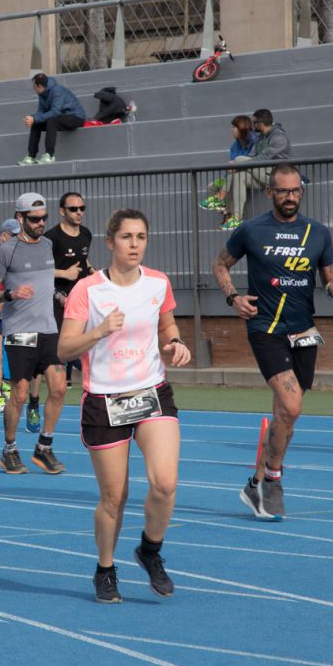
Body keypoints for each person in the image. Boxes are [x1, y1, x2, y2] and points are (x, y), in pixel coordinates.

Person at [59, 208, 192, 603]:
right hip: (104, 399)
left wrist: (176, 344)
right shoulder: (88, 289)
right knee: (114, 497)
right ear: (110, 242)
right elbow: (65, 347)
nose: (135, 244)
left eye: (141, 237)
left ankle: (150, 551)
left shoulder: (158, 283)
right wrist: (99, 331)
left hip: (151, 392)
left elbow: (167, 326)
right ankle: (105, 568)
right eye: (127, 237)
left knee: (165, 483)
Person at [212, 164, 333, 521]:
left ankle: (254, 483)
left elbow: (331, 277)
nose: (290, 197)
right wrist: (233, 299)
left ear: (301, 192)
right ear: (271, 192)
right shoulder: (252, 230)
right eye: (283, 191)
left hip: (303, 331)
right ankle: (273, 479)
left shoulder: (317, 233)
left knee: (285, 414)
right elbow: (221, 265)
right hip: (265, 328)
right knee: (291, 405)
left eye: (295, 191)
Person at [0, 192, 68, 475]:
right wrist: (10, 293)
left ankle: (44, 446)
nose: (40, 223)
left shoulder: (47, 245)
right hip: (20, 331)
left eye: (44, 218)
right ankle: (9, 450)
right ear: (20, 218)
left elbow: (45, 281)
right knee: (19, 394)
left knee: (58, 388)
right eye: (34, 219)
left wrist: (57, 294)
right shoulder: (7, 250)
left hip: (49, 329)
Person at [206, 109, 291, 231]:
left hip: (276, 176)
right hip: (261, 173)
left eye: (254, 122)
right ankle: (237, 218)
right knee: (238, 176)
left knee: (239, 160)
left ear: (260, 124)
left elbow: (264, 158)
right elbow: (252, 156)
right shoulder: (261, 138)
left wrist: (239, 164)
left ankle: (221, 196)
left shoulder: (279, 137)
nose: (253, 125)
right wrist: (237, 165)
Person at [44, 191, 93, 388]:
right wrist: (64, 275)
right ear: (62, 211)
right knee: (59, 347)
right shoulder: (51, 238)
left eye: (82, 208)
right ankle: (35, 398)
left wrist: (92, 271)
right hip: (57, 299)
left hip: (80, 299)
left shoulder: (86, 234)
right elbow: (41, 270)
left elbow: (84, 259)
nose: (79, 212)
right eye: (73, 209)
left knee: (84, 342)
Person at [0, 218, 21, 414]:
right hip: (0, 312)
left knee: (14, 354)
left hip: (16, 311)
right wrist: (1, 311)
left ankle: (8, 388)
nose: (18, 238)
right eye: (14, 235)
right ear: (4, 235)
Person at [19, 73, 85, 166]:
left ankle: (49, 155)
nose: (33, 88)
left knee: (51, 120)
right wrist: (33, 118)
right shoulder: (42, 93)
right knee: (36, 123)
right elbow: (41, 112)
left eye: (34, 86)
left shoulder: (57, 91)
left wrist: (35, 118)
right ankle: (31, 156)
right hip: (60, 118)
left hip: (75, 117)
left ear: (40, 86)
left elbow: (55, 112)